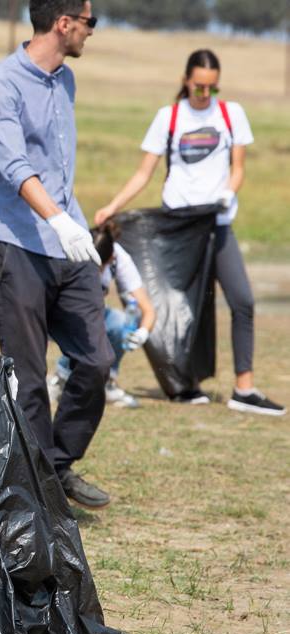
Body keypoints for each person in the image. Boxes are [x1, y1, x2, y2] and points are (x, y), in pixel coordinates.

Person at [0, 0, 115, 510]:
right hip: (16, 241)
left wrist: (69, 225)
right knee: (28, 377)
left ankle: (57, 465)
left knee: (97, 360)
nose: (92, 31)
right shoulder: (1, 84)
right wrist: (57, 219)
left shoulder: (65, 82)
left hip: (66, 241)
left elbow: (57, 167)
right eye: (89, 22)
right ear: (64, 23)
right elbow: (13, 164)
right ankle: (42, 493)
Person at [95, 49, 284, 416]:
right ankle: (184, 385)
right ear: (186, 81)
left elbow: (238, 168)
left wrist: (228, 193)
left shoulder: (231, 114)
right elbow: (144, 172)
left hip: (215, 223)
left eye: (212, 88)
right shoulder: (168, 117)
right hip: (176, 227)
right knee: (181, 308)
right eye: (199, 87)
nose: (205, 94)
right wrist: (113, 206)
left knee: (242, 300)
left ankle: (244, 389)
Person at [50, 221, 156, 409]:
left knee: (119, 322)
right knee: (85, 324)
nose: (93, 273)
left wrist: (142, 334)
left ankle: (106, 382)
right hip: (59, 314)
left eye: (98, 268)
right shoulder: (70, 249)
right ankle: (61, 378)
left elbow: (148, 310)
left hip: (92, 316)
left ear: (111, 259)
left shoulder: (120, 259)